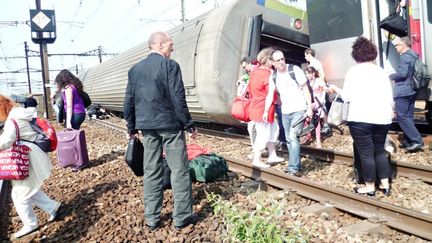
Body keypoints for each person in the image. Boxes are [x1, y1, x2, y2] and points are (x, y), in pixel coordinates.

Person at [124, 31, 198, 231]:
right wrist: (188, 123)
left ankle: (152, 219)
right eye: (170, 45)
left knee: (151, 171)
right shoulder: (170, 66)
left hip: (147, 128)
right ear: (160, 44)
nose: (172, 49)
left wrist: (131, 126)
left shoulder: (135, 70)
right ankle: (182, 216)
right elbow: (177, 96)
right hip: (170, 127)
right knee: (179, 170)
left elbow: (129, 99)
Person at [329, 36, 394, 196]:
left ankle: (370, 186)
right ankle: (385, 185)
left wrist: (335, 89)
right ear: (373, 53)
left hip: (361, 118)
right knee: (380, 151)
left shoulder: (353, 72)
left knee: (366, 153)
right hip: (382, 118)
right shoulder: (381, 72)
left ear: (356, 55)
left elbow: (347, 97)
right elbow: (389, 96)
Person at [0, 95, 61, 238]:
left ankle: (30, 224)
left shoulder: (12, 120)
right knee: (29, 188)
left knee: (19, 194)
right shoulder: (20, 112)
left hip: (28, 158)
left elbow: (6, 141)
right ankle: (53, 207)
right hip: (33, 154)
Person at [270, 50, 313, 176]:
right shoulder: (274, 76)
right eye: (278, 60)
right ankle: (297, 165)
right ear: (272, 63)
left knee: (293, 137)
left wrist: (309, 107)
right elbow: (272, 94)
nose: (281, 62)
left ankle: (293, 168)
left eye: (282, 59)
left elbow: (306, 89)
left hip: (299, 109)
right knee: (289, 139)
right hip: (285, 111)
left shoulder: (294, 70)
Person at [248, 47, 284, 168]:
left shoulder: (255, 71)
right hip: (263, 108)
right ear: (269, 60)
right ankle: (256, 159)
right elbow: (270, 92)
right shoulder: (268, 74)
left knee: (273, 129)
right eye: (274, 60)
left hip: (258, 106)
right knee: (263, 134)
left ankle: (272, 154)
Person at [389, 37, 424, 152]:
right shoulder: (414, 55)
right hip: (412, 89)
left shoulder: (405, 56)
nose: (396, 47)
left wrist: (390, 76)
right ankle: (409, 140)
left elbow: (402, 74)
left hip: (403, 91)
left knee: (402, 117)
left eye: (397, 45)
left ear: (404, 45)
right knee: (408, 116)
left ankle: (417, 140)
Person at [304, 66, 327, 148]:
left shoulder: (319, 81)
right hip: (309, 104)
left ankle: (318, 140)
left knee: (315, 119)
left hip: (318, 103)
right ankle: (308, 135)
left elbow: (323, 92)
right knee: (305, 118)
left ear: (313, 73)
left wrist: (321, 102)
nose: (307, 76)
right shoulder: (306, 83)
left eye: (309, 74)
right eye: (306, 74)